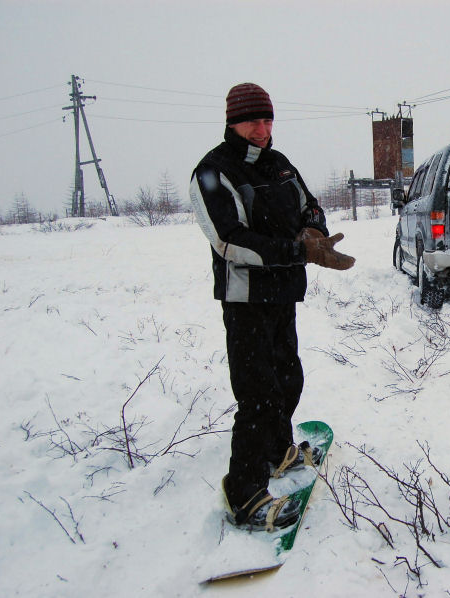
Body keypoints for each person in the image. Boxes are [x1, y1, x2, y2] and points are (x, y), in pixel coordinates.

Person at [189, 82, 355, 529]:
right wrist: (297, 251)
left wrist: (314, 232)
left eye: (267, 120)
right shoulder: (213, 171)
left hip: (283, 293)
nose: (262, 130)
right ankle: (243, 493)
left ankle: (277, 450)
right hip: (245, 298)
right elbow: (230, 241)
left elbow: (309, 206)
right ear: (233, 122)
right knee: (257, 395)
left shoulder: (280, 163)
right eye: (253, 121)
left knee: (287, 378)